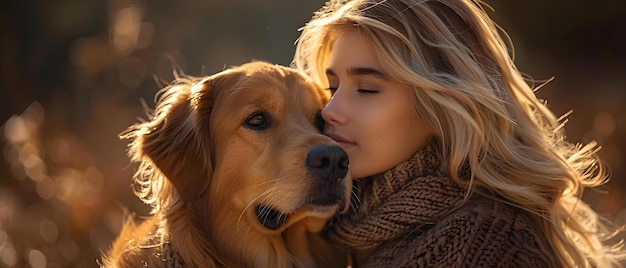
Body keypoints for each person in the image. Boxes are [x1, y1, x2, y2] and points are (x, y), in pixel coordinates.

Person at [291, 0, 626, 267]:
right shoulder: (345, 229)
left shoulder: (486, 245)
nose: (330, 110)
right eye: (332, 87)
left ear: (442, 101)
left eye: (366, 89)